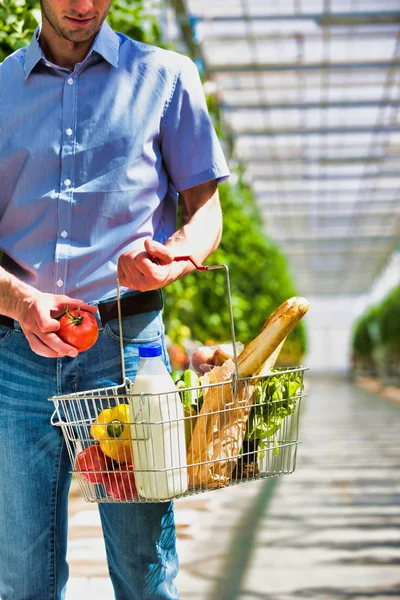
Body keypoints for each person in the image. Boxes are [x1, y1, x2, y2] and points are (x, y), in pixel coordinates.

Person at [0, 0, 230, 598]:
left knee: (144, 570)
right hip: (15, 355)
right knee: (23, 577)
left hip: (129, 356)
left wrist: (174, 256)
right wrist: (22, 302)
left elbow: (205, 213)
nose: (83, 7)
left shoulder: (167, 76)